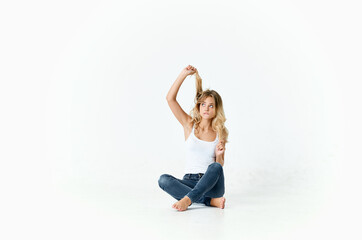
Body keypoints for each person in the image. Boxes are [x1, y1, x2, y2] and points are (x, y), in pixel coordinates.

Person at [158, 65, 229, 211]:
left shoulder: (219, 132)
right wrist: (183, 74)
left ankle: (188, 199)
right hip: (189, 182)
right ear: (198, 106)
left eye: (211, 106)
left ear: (216, 110)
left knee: (214, 166)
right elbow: (170, 99)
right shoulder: (189, 125)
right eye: (203, 104)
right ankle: (209, 202)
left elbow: (219, 166)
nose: (206, 109)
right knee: (163, 180)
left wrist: (220, 155)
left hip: (211, 184)